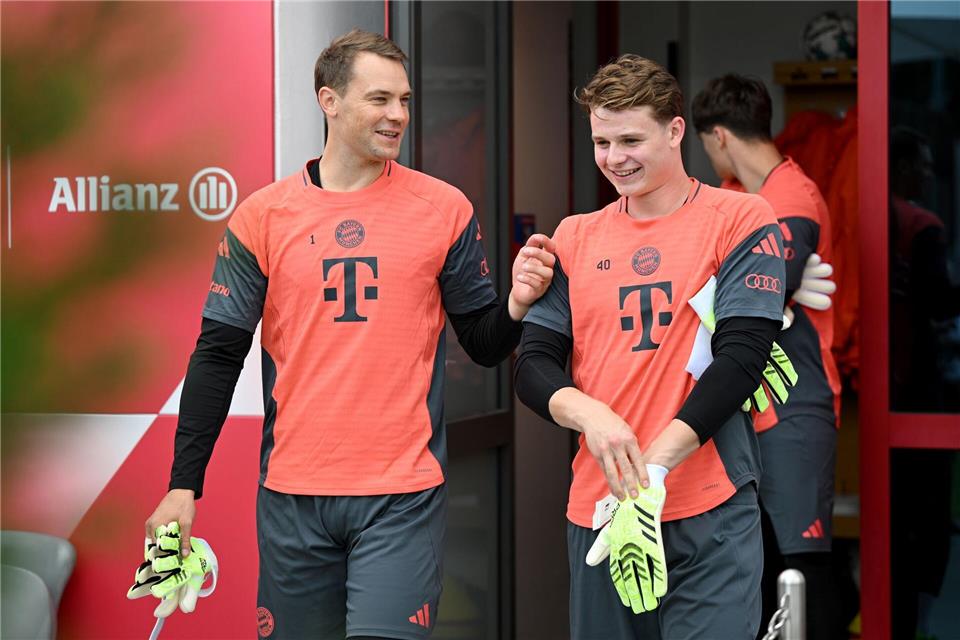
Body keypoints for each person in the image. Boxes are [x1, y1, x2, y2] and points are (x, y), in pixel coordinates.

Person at [144, 29, 556, 640]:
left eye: (406, 101)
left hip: (402, 496)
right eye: (380, 99)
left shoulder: (444, 209)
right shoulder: (262, 216)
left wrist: (519, 303)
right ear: (328, 101)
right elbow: (218, 355)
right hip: (292, 496)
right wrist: (183, 486)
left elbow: (485, 344)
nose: (398, 116)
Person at [514, 55, 786, 639]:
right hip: (602, 511)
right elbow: (532, 366)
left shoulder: (738, 219)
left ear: (676, 130)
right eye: (602, 142)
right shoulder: (575, 236)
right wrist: (593, 417)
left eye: (631, 139)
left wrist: (656, 465)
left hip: (710, 507)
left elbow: (742, 358)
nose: (616, 158)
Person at [691, 74, 844, 640]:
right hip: (743, 405)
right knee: (755, 566)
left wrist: (766, 287)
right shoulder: (732, 197)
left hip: (795, 402)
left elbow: (759, 290)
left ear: (720, 137)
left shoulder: (792, 198)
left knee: (802, 567)